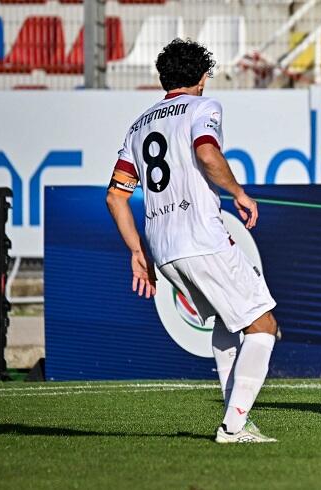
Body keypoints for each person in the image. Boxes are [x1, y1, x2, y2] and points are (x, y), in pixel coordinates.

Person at [105, 38, 279, 442]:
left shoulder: (140, 124)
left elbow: (116, 194)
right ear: (201, 78)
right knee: (263, 324)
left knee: (225, 320)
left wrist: (136, 251)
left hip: (163, 249)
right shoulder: (204, 107)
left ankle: (239, 421)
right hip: (201, 237)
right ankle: (234, 426)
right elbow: (206, 152)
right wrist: (238, 192)